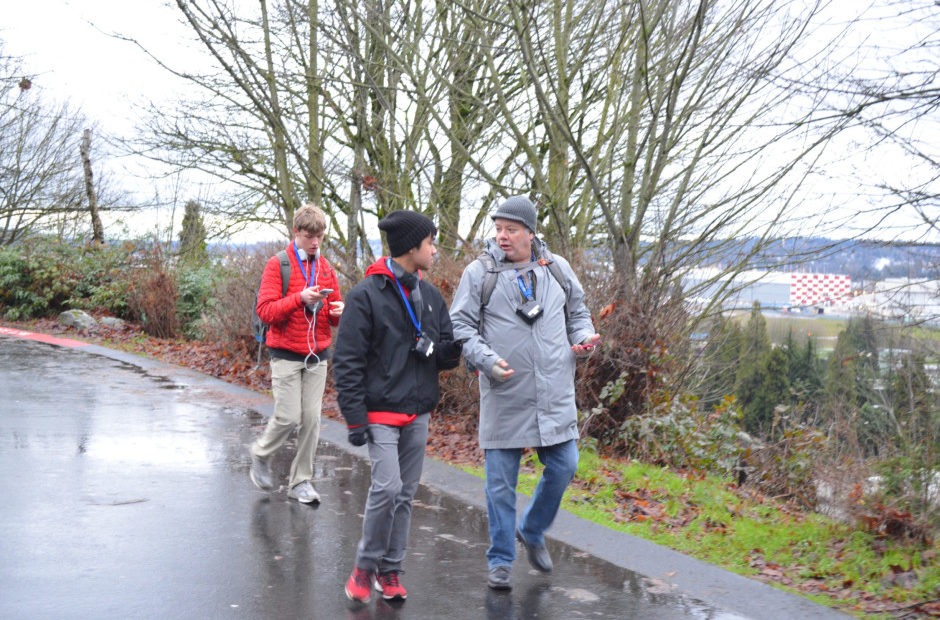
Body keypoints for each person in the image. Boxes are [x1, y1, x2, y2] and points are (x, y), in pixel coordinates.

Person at [449, 195, 601, 591]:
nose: (501, 236)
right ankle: (501, 560)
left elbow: (579, 313)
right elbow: (461, 326)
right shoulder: (479, 273)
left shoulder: (557, 269)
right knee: (500, 485)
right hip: (504, 393)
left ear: (530, 233)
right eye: (497, 228)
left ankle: (532, 528)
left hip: (554, 394)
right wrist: (486, 359)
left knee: (565, 464)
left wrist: (583, 339)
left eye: (510, 229)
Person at [333, 210, 463, 604]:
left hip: (417, 411)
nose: (435, 250)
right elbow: (347, 361)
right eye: (430, 243)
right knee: (387, 488)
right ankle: (364, 567)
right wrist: (355, 418)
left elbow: (438, 354)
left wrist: (451, 352)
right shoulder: (365, 295)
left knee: (405, 494)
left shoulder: (431, 295)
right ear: (412, 247)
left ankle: (390, 570)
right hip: (379, 413)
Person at [248, 204, 344, 504]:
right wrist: (298, 299)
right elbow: (265, 311)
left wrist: (340, 312)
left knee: (312, 420)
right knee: (289, 416)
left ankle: (300, 481)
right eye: (309, 236)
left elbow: (333, 315)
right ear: (296, 233)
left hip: (317, 356)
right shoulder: (279, 265)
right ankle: (260, 454)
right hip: (286, 354)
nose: (315, 242)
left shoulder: (326, 268)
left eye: (320, 236)